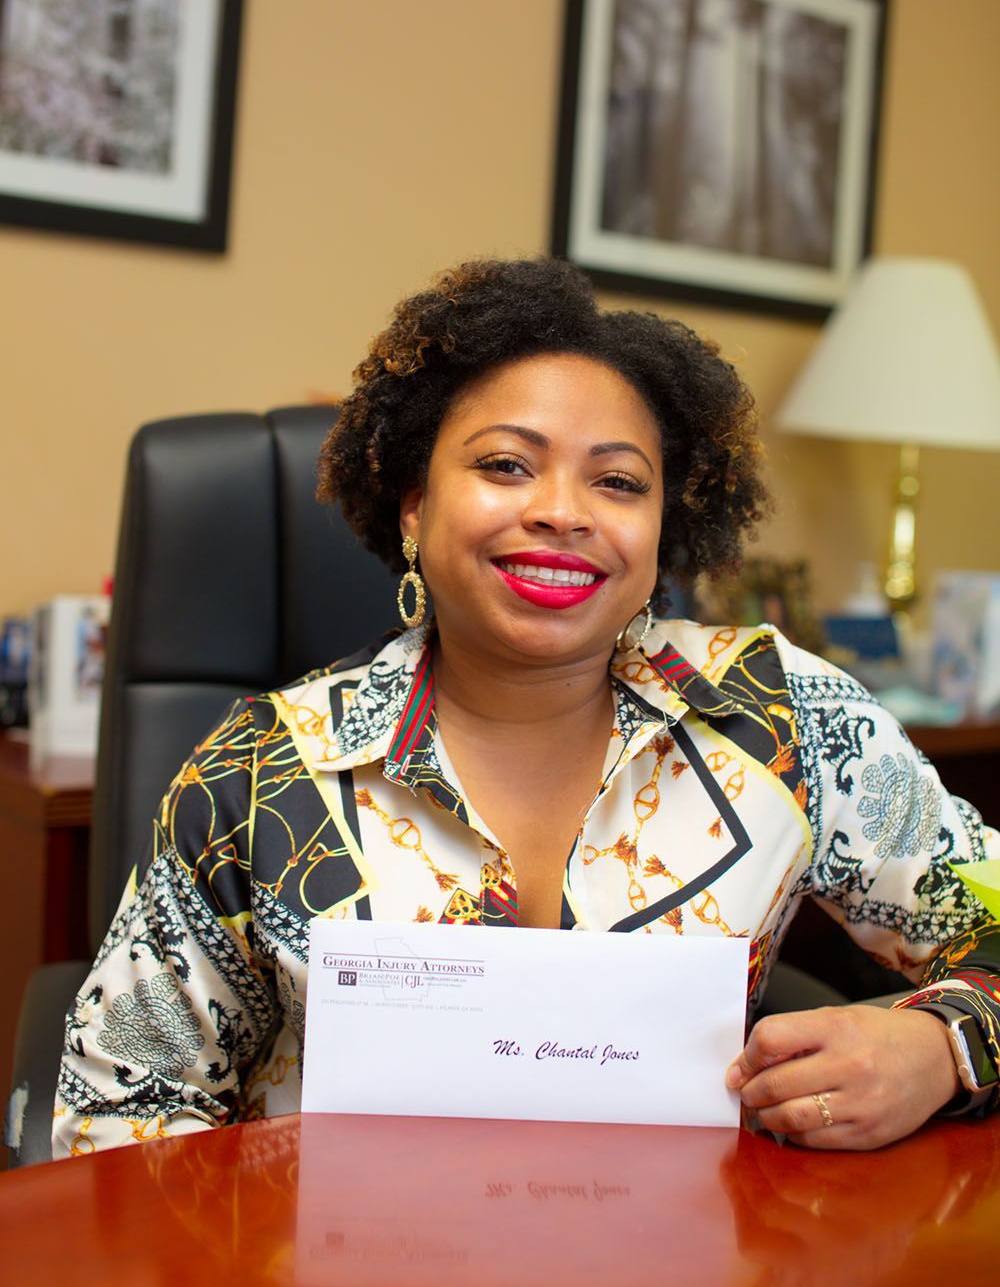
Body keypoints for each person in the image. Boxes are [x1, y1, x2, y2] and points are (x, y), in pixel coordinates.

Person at [54, 257, 1000, 1157]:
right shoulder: (264, 770)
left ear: (663, 528)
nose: (563, 511)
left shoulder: (777, 715)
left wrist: (942, 1047)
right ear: (415, 507)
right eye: (507, 465)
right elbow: (117, 1106)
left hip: (688, 1249)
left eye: (618, 481)